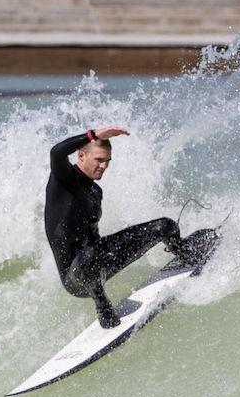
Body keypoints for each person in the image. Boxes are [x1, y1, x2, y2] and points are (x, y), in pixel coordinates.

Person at [45, 127, 187, 329]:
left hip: (97, 261)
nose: (104, 166)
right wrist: (94, 135)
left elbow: (94, 238)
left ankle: (184, 253)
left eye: (107, 161)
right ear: (82, 155)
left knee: (165, 226)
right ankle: (103, 307)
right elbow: (56, 152)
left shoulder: (95, 190)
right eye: (99, 160)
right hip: (76, 277)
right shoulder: (64, 180)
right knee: (89, 257)